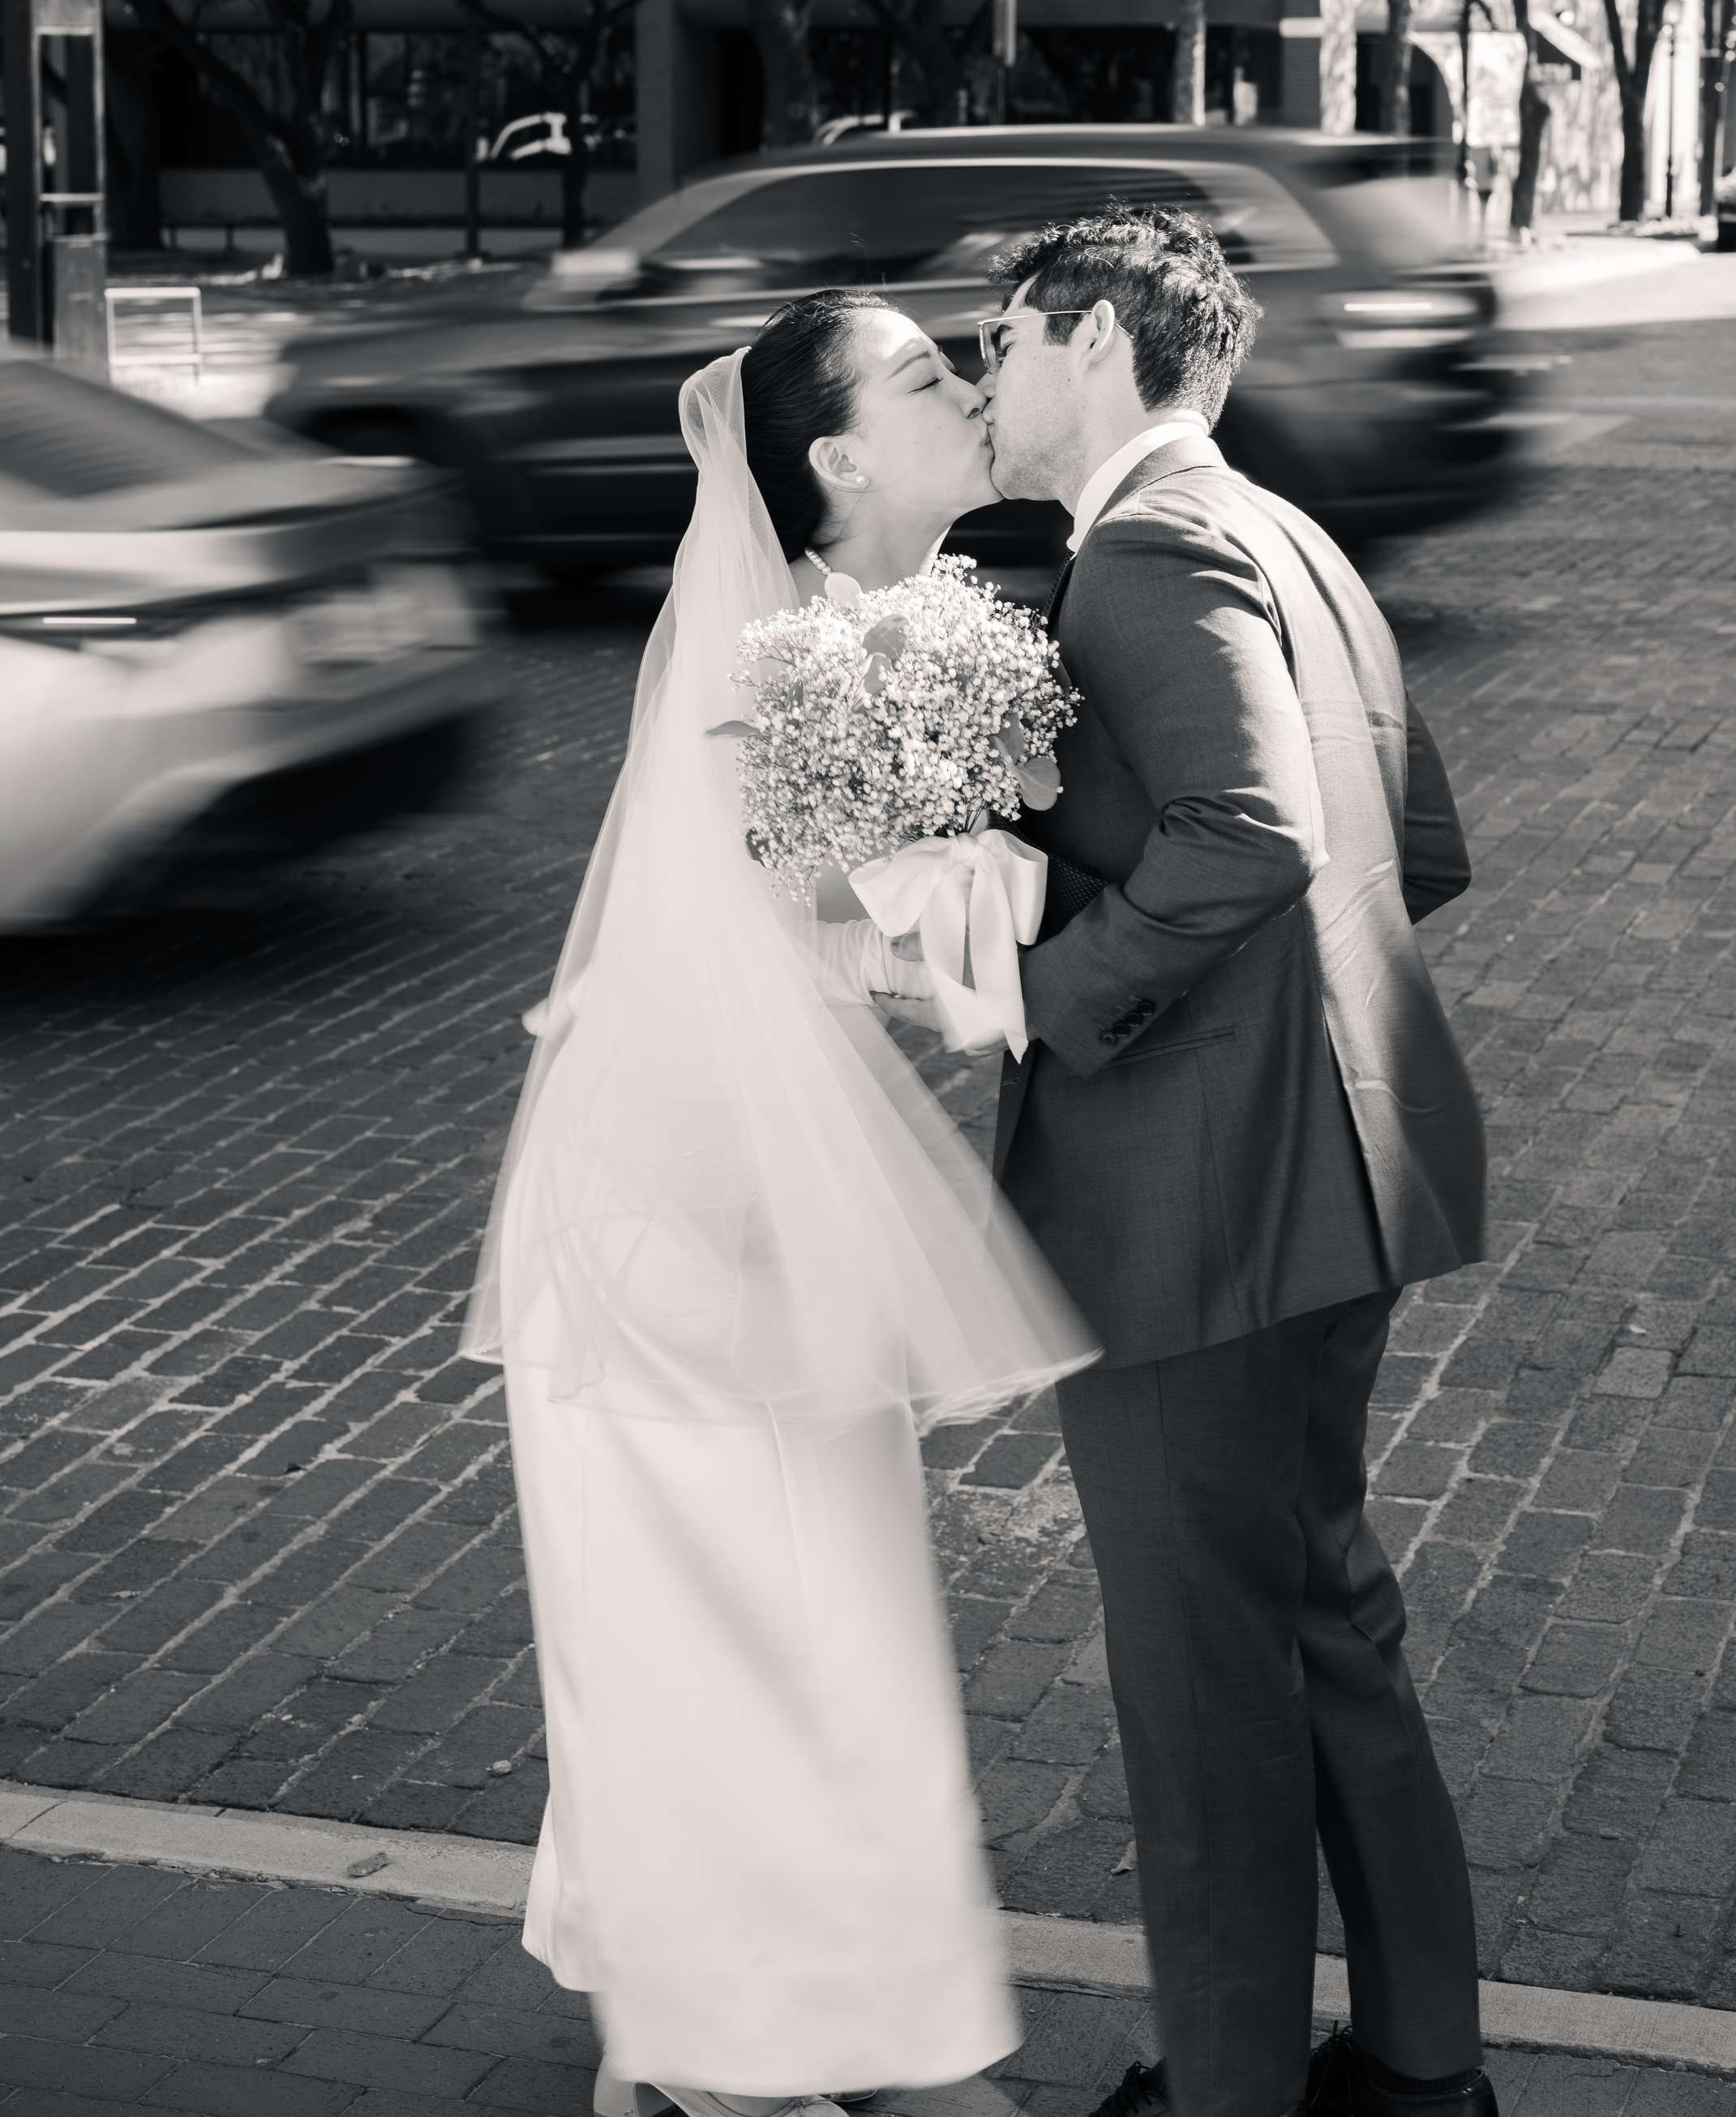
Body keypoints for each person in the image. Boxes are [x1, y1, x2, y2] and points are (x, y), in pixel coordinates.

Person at [463, 294, 1094, 2117]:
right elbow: (909, 935)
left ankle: (759, 2016)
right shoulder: (790, 662)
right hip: (668, 1218)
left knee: (798, 1606)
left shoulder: (879, 634)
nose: (965, 389)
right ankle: (742, 2050)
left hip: (753, 1195)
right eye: (922, 379)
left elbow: (897, 932)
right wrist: (1046, 885)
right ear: (829, 461)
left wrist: (1005, 853)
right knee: (735, 1619)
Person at [979, 208, 1494, 2117]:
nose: (985, 375)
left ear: (1096, 337)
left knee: (1203, 1687)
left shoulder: (1148, 545)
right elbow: (1411, 849)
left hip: (1201, 1206)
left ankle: (1226, 2099)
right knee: (1320, 1622)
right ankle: (1423, 2074)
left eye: (1003, 340)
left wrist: (1046, 992)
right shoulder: (1285, 529)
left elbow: (1247, 833)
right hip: (1336, 1171)